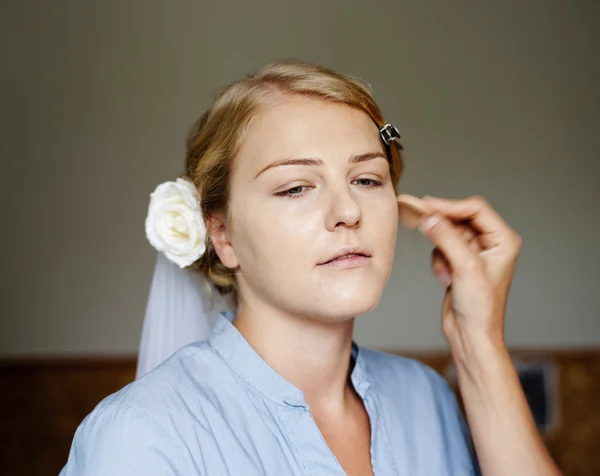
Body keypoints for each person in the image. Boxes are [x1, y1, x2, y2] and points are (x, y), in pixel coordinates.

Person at [60, 60, 560, 475]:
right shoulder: (143, 433)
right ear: (223, 236)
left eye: (367, 179)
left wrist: (479, 341)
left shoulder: (424, 397)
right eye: (296, 187)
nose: (349, 212)